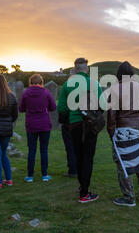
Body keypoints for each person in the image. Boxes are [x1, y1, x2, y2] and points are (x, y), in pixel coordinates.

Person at [57, 58, 105, 203]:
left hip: (74, 124)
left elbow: (62, 108)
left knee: (78, 155)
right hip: (90, 124)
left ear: (75, 69)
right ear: (87, 69)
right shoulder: (94, 83)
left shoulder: (67, 85)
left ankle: (82, 185)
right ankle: (84, 193)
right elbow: (102, 105)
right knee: (88, 157)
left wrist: (69, 118)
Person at [107, 61, 139, 207]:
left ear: (119, 74)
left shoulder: (114, 89)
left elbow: (111, 115)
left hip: (122, 130)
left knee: (123, 164)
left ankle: (128, 197)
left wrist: (111, 133)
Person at [19, 74, 57, 183]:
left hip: (31, 125)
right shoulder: (46, 92)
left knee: (32, 150)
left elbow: (21, 108)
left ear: (30, 82)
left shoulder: (26, 93)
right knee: (43, 150)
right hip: (44, 124)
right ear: (41, 82)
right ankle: (44, 175)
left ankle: (30, 176)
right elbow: (53, 107)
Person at [60, 67, 78, 178]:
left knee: (70, 146)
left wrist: (62, 119)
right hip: (85, 119)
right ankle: (82, 168)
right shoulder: (89, 84)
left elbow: (62, 106)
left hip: (69, 120)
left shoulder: (67, 85)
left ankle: (72, 170)